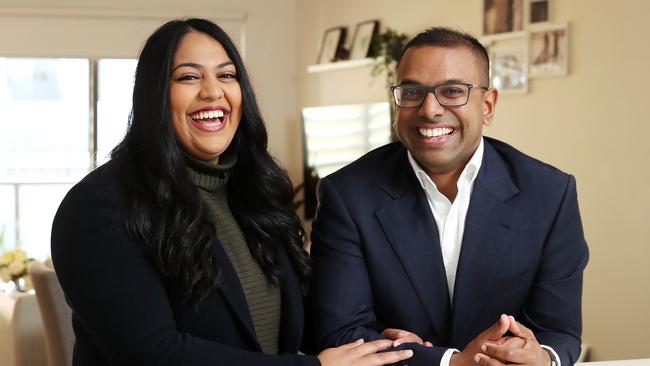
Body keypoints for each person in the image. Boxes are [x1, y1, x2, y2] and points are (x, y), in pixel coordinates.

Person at [51, 18, 413, 366]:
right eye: (188, 77)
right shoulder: (98, 207)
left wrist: (377, 343)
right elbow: (153, 354)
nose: (213, 91)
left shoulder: (259, 191)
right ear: (155, 96)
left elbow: (298, 321)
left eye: (227, 75)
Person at [307, 27, 589, 366]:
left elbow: (559, 332)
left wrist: (541, 357)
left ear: (487, 105)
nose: (429, 109)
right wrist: (448, 361)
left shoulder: (549, 193)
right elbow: (339, 333)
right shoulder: (348, 194)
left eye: (452, 91)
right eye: (411, 91)